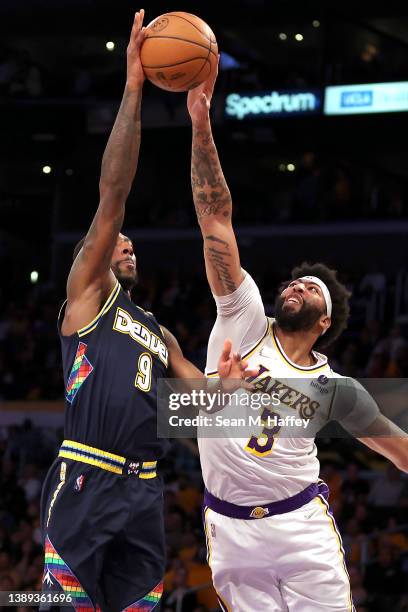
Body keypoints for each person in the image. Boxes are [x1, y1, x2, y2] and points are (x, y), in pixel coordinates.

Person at [40, 13, 255, 612]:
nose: (128, 244)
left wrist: (228, 390)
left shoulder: (159, 334)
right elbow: (115, 192)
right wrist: (134, 87)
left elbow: (199, 405)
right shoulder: (89, 298)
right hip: (86, 475)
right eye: (119, 241)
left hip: (144, 488)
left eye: (133, 242)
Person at [187, 61, 408, 611]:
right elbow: (215, 219)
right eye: (295, 280)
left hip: (300, 525)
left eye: (312, 289)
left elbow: (398, 449)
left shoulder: (336, 388)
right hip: (230, 528)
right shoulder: (242, 317)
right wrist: (199, 123)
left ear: (324, 321)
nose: (297, 285)